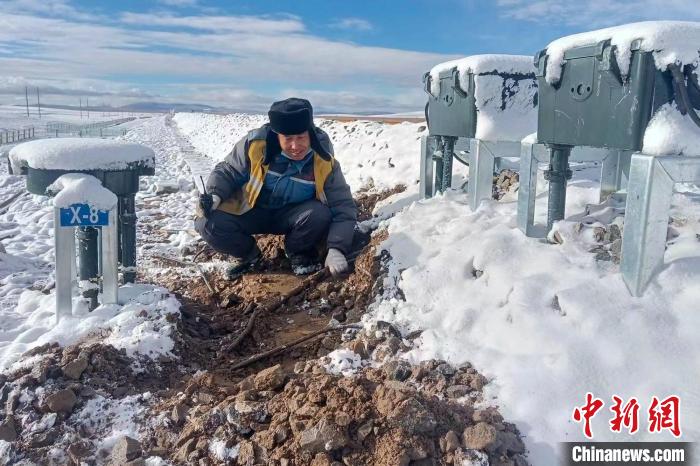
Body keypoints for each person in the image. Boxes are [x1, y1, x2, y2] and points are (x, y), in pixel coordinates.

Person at [195, 98, 357, 279]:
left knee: (320, 214)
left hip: (295, 217)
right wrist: (215, 195)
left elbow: (342, 206)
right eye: (288, 139)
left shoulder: (324, 160)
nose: (295, 146)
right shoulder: (255, 146)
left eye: (301, 137)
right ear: (276, 135)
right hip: (251, 211)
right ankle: (250, 256)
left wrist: (336, 248)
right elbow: (228, 170)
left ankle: (298, 252)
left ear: (310, 133)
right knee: (207, 222)